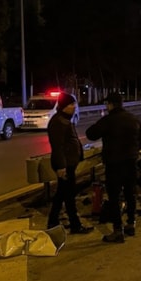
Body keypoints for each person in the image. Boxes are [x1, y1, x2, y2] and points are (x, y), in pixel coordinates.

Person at [86, 92, 141, 243]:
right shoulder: (134, 119)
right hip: (131, 163)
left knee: (114, 197)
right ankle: (131, 224)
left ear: (110, 104)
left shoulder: (108, 120)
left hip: (114, 165)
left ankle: (117, 230)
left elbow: (91, 134)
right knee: (130, 194)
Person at [46, 93, 94, 235]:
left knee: (63, 194)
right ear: (64, 107)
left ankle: (53, 221)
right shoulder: (59, 122)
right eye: (71, 105)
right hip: (65, 165)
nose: (74, 107)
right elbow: (58, 147)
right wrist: (61, 167)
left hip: (69, 164)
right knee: (68, 196)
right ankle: (74, 225)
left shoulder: (65, 120)